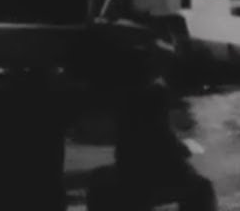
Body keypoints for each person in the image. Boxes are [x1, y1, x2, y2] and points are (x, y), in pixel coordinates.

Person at [88, 70, 216, 211]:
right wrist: (183, 149)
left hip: (130, 175)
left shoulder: (124, 102)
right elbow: (170, 150)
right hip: (151, 179)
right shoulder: (153, 98)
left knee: (98, 178)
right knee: (202, 186)